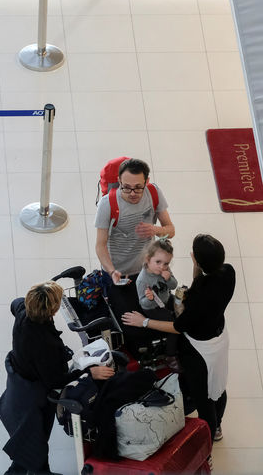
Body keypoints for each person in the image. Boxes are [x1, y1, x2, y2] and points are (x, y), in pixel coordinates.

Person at [122, 234, 234, 441]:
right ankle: (218, 427)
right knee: (218, 384)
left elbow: (178, 326)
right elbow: (199, 285)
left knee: (204, 396)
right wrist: (197, 266)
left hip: (200, 350)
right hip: (220, 337)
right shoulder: (228, 273)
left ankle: (209, 436)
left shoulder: (197, 302)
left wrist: (143, 322)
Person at [0, 282, 114, 475]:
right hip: (31, 399)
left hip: (17, 390)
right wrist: (88, 372)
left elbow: (14, 303)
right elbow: (56, 381)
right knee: (34, 448)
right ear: (53, 309)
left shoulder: (22, 312)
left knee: (26, 452)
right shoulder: (44, 343)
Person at [94, 158, 175, 350]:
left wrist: (154, 230)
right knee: (131, 327)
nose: (132, 193)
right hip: (120, 275)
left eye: (138, 188)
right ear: (119, 182)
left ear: (146, 182)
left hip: (148, 270)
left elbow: (170, 229)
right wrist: (111, 270)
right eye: (126, 187)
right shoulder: (107, 204)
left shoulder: (154, 194)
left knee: (163, 315)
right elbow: (100, 245)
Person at [135, 237, 181, 370]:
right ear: (148, 260)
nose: (162, 267)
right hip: (152, 308)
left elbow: (173, 286)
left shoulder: (165, 271)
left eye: (166, 263)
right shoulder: (142, 280)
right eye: (158, 262)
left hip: (166, 299)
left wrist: (169, 279)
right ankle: (170, 355)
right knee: (174, 326)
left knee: (184, 309)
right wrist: (148, 299)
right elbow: (142, 303)